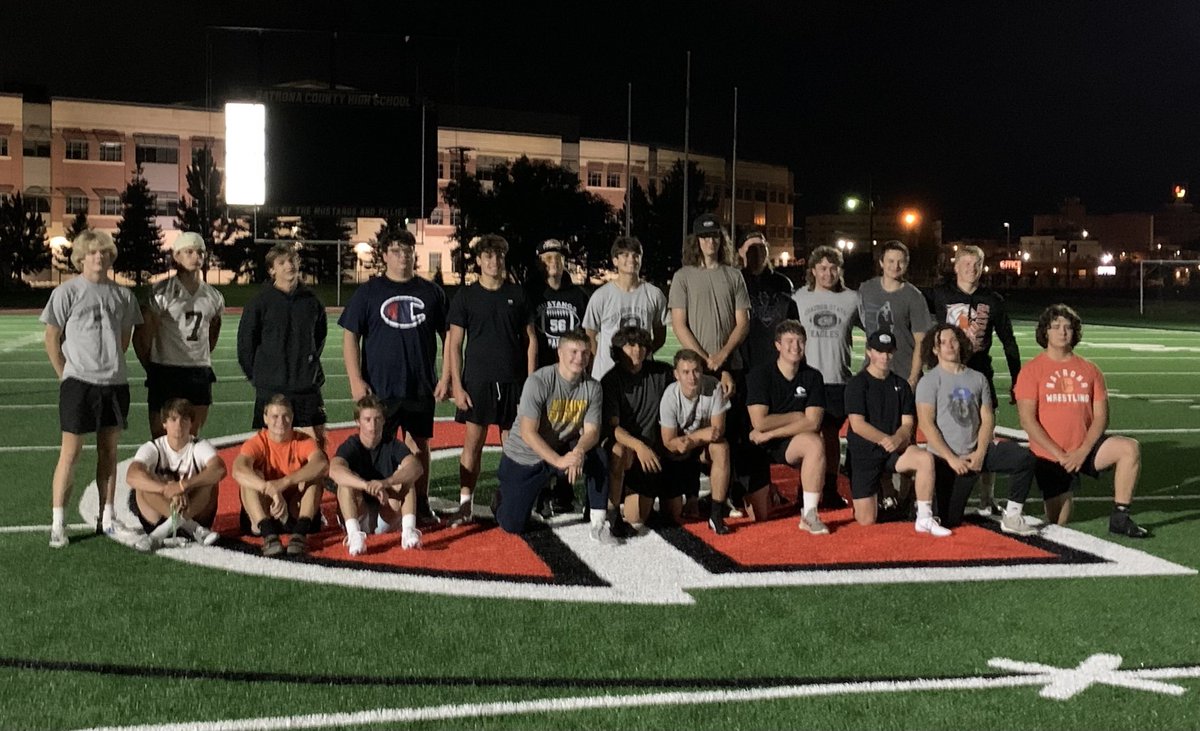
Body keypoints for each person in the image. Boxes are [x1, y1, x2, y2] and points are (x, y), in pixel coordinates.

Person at [41, 229, 143, 548]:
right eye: (93, 252)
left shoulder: (124, 295)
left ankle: (107, 518)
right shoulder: (66, 292)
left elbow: (124, 341)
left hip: (113, 382)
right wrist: (65, 374)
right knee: (70, 453)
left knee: (109, 453)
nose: (99, 257)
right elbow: (51, 339)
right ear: (81, 257)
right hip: (79, 383)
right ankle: (58, 523)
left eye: (104, 252)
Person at [339, 230, 449, 524]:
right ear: (385, 255)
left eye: (408, 250)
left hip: (420, 384)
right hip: (379, 387)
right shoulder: (369, 291)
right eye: (397, 251)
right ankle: (371, 502)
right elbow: (350, 335)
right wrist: (354, 380)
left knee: (419, 445)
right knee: (375, 446)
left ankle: (421, 502)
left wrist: (447, 375)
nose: (404, 256)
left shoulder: (431, 292)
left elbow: (450, 335)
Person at [1014, 304, 1150, 538]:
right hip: (1050, 455)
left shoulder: (1090, 369)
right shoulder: (1031, 370)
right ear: (1045, 332)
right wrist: (1060, 454)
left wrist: (1083, 450)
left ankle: (1120, 516)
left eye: (1067, 327)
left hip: (1085, 448)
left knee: (1129, 448)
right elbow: (1028, 421)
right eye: (1055, 327)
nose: (1062, 332)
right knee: (1058, 522)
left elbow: (1101, 416)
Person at [444, 234, 537, 526]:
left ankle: (510, 499)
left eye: (498, 256)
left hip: (513, 383)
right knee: (473, 444)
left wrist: (531, 384)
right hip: (478, 383)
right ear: (479, 261)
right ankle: (465, 503)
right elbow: (454, 344)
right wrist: (457, 385)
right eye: (488, 256)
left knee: (514, 447)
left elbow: (531, 340)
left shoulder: (518, 294)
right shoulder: (466, 296)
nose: (493, 261)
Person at [927, 244, 1022, 516]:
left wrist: (1017, 379)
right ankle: (933, 492)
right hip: (945, 376)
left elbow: (1009, 341)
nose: (971, 269)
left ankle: (986, 498)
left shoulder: (993, 300)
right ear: (955, 266)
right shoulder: (939, 294)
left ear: (982, 267)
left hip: (980, 374)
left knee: (985, 434)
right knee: (941, 430)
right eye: (966, 263)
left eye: (976, 264)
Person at [915, 323, 1038, 532]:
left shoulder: (978, 378)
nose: (949, 346)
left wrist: (980, 453)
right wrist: (951, 458)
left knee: (1024, 459)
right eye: (942, 342)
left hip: (976, 455)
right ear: (934, 349)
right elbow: (927, 424)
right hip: (947, 460)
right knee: (948, 519)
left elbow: (987, 418)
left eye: (953, 340)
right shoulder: (929, 381)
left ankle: (1013, 516)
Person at [493, 329, 610, 541]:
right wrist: (561, 460)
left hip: (562, 448)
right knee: (513, 524)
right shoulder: (539, 381)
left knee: (598, 456)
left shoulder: (593, 387)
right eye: (573, 352)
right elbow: (528, 433)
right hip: (527, 455)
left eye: (584, 353)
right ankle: (503, 497)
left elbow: (592, 431)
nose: (579, 358)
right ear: (560, 352)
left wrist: (578, 451)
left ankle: (598, 520)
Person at [670, 214, 749, 517]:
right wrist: (705, 360)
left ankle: (726, 495)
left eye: (715, 236)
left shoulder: (734, 275)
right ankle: (691, 496)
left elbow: (742, 323)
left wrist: (722, 357)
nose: (710, 242)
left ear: (722, 240)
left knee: (728, 433)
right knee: (692, 431)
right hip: (695, 367)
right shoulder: (683, 276)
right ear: (696, 241)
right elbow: (679, 325)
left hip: (729, 364)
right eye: (704, 237)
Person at [844, 331, 948, 535]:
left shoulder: (901, 385)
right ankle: (880, 496)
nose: (884, 357)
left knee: (925, 459)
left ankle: (924, 517)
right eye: (879, 351)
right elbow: (857, 425)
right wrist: (885, 440)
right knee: (866, 520)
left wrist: (897, 439)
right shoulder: (857, 384)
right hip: (865, 454)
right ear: (869, 352)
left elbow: (908, 423)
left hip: (894, 451)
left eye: (889, 352)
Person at [236, 242, 328, 452]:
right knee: (267, 438)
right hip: (271, 385)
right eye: (282, 262)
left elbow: (319, 337)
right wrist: (260, 375)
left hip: (305, 383)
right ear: (272, 269)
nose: (289, 265)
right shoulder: (259, 302)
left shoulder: (312, 300)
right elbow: (245, 345)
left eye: (293, 260)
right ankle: (267, 478)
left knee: (317, 435)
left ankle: (318, 476)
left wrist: (308, 364)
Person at [133, 231, 225, 438]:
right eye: (189, 252)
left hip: (198, 370)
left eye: (200, 252)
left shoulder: (214, 296)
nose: (196, 256)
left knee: (192, 436)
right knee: (160, 437)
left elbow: (212, 334)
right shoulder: (161, 292)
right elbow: (142, 337)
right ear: (176, 256)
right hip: (166, 370)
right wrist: (153, 367)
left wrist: (200, 356)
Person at [745, 320, 829, 534]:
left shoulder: (813, 376)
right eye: (789, 341)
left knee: (815, 443)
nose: (795, 346)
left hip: (788, 441)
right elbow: (759, 422)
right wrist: (795, 416)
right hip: (757, 447)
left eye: (800, 341)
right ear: (777, 345)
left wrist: (772, 432)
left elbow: (813, 422)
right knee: (760, 519)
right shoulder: (760, 374)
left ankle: (809, 513)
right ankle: (748, 495)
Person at [527, 238, 591, 516]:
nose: (554, 262)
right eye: (548, 257)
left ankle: (564, 493)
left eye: (558, 257)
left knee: (570, 433)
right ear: (540, 261)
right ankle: (542, 494)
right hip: (543, 376)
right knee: (543, 434)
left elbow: (589, 337)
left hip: (572, 378)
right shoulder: (531, 293)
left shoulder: (578, 296)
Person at [793, 244, 860, 508]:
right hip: (807, 377)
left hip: (837, 377)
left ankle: (830, 489)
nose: (828, 273)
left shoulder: (852, 299)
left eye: (833, 268)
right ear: (813, 271)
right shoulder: (799, 298)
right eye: (822, 268)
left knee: (831, 438)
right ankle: (804, 489)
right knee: (807, 437)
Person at [232, 395, 330, 556]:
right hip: (266, 509)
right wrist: (269, 488)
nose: (281, 421)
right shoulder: (257, 442)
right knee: (250, 477)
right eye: (275, 416)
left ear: (292, 418)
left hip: (294, 509)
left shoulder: (303, 441)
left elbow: (322, 463)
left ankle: (300, 534)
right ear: (265, 418)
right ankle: (268, 535)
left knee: (315, 478)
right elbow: (238, 470)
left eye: (285, 416)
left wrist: (284, 482)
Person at [125, 398, 227, 552]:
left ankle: (156, 536)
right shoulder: (154, 447)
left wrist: (182, 486)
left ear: (191, 423)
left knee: (209, 481)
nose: (178, 425)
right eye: (173, 419)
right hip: (159, 515)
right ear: (164, 423)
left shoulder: (198, 446)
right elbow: (132, 476)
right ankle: (192, 528)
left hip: (193, 509)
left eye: (184, 419)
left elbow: (220, 469)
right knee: (144, 482)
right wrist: (166, 489)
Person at [328, 395, 425, 555]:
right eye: (367, 419)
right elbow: (335, 470)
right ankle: (354, 535)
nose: (372, 425)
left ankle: (409, 531)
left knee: (407, 480)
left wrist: (386, 483)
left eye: (377, 419)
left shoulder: (392, 444)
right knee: (345, 484)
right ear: (358, 422)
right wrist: (366, 485)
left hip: (386, 514)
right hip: (359, 515)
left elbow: (416, 467)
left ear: (384, 420)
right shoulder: (351, 445)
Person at [601, 326, 675, 534]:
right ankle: (613, 511)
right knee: (618, 451)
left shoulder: (661, 372)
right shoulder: (611, 380)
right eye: (631, 345)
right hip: (630, 452)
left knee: (640, 517)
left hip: (654, 452)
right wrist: (639, 446)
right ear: (618, 350)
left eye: (642, 345)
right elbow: (613, 428)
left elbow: (690, 379)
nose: (637, 350)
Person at [659, 349, 733, 534]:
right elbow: (669, 442)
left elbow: (717, 432)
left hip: (699, 447)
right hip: (678, 453)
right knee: (672, 514)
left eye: (696, 371)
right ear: (676, 375)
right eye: (685, 372)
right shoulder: (670, 396)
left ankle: (716, 512)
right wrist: (697, 437)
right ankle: (688, 496)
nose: (692, 377)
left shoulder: (713, 386)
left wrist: (691, 440)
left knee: (722, 448)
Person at [582, 236, 668, 381]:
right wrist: (605, 358)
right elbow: (590, 334)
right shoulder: (601, 296)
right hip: (607, 374)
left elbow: (660, 335)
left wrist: (641, 355)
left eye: (636, 255)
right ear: (615, 260)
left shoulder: (654, 294)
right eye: (625, 255)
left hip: (642, 375)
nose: (631, 259)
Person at [857, 241, 933, 390]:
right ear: (881, 263)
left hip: (902, 373)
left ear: (907, 264)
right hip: (872, 371)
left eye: (901, 262)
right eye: (890, 261)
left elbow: (921, 341)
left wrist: (913, 376)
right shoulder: (866, 289)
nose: (895, 266)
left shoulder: (914, 296)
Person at [739, 231, 798, 373]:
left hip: (776, 361)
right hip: (744, 362)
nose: (757, 253)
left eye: (761, 247)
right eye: (752, 248)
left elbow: (792, 324)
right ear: (741, 252)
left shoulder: (782, 283)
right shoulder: (736, 281)